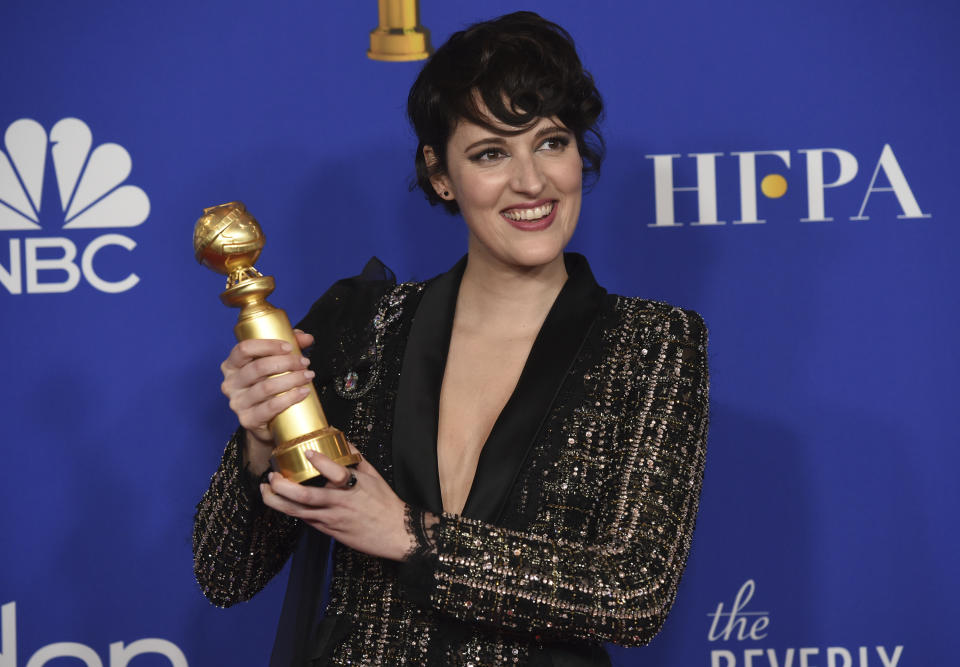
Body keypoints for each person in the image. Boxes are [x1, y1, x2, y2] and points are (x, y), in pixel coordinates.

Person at [193, 11, 708, 667]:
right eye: (491, 152)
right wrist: (261, 441)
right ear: (441, 174)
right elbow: (224, 574)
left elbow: (633, 592)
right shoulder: (361, 325)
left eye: (550, 142)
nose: (531, 182)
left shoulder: (653, 342)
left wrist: (412, 536)